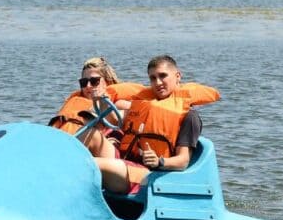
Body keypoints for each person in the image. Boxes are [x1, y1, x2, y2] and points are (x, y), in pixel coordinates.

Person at [93, 55, 220, 194]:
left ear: (178, 76)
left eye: (163, 76)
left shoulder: (189, 117)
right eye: (152, 78)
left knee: (91, 163)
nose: (158, 82)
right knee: (91, 136)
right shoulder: (142, 105)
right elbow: (115, 120)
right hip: (124, 161)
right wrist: (103, 102)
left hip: (145, 174)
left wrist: (159, 161)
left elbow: (183, 161)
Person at [49, 57, 144, 157]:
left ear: (107, 81)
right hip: (65, 146)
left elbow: (115, 121)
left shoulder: (119, 103)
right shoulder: (74, 101)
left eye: (94, 81)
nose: (88, 86)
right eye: (84, 82)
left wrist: (103, 101)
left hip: (105, 151)